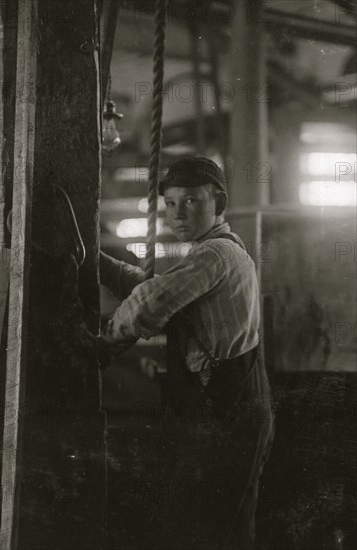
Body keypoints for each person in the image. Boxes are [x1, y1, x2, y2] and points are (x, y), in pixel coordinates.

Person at [98, 157, 275, 550]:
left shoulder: (214, 255)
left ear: (219, 202)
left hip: (225, 412)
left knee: (205, 528)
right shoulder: (215, 254)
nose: (179, 214)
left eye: (192, 202)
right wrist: (96, 263)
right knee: (221, 526)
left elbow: (150, 302)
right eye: (172, 203)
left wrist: (101, 346)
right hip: (229, 408)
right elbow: (157, 288)